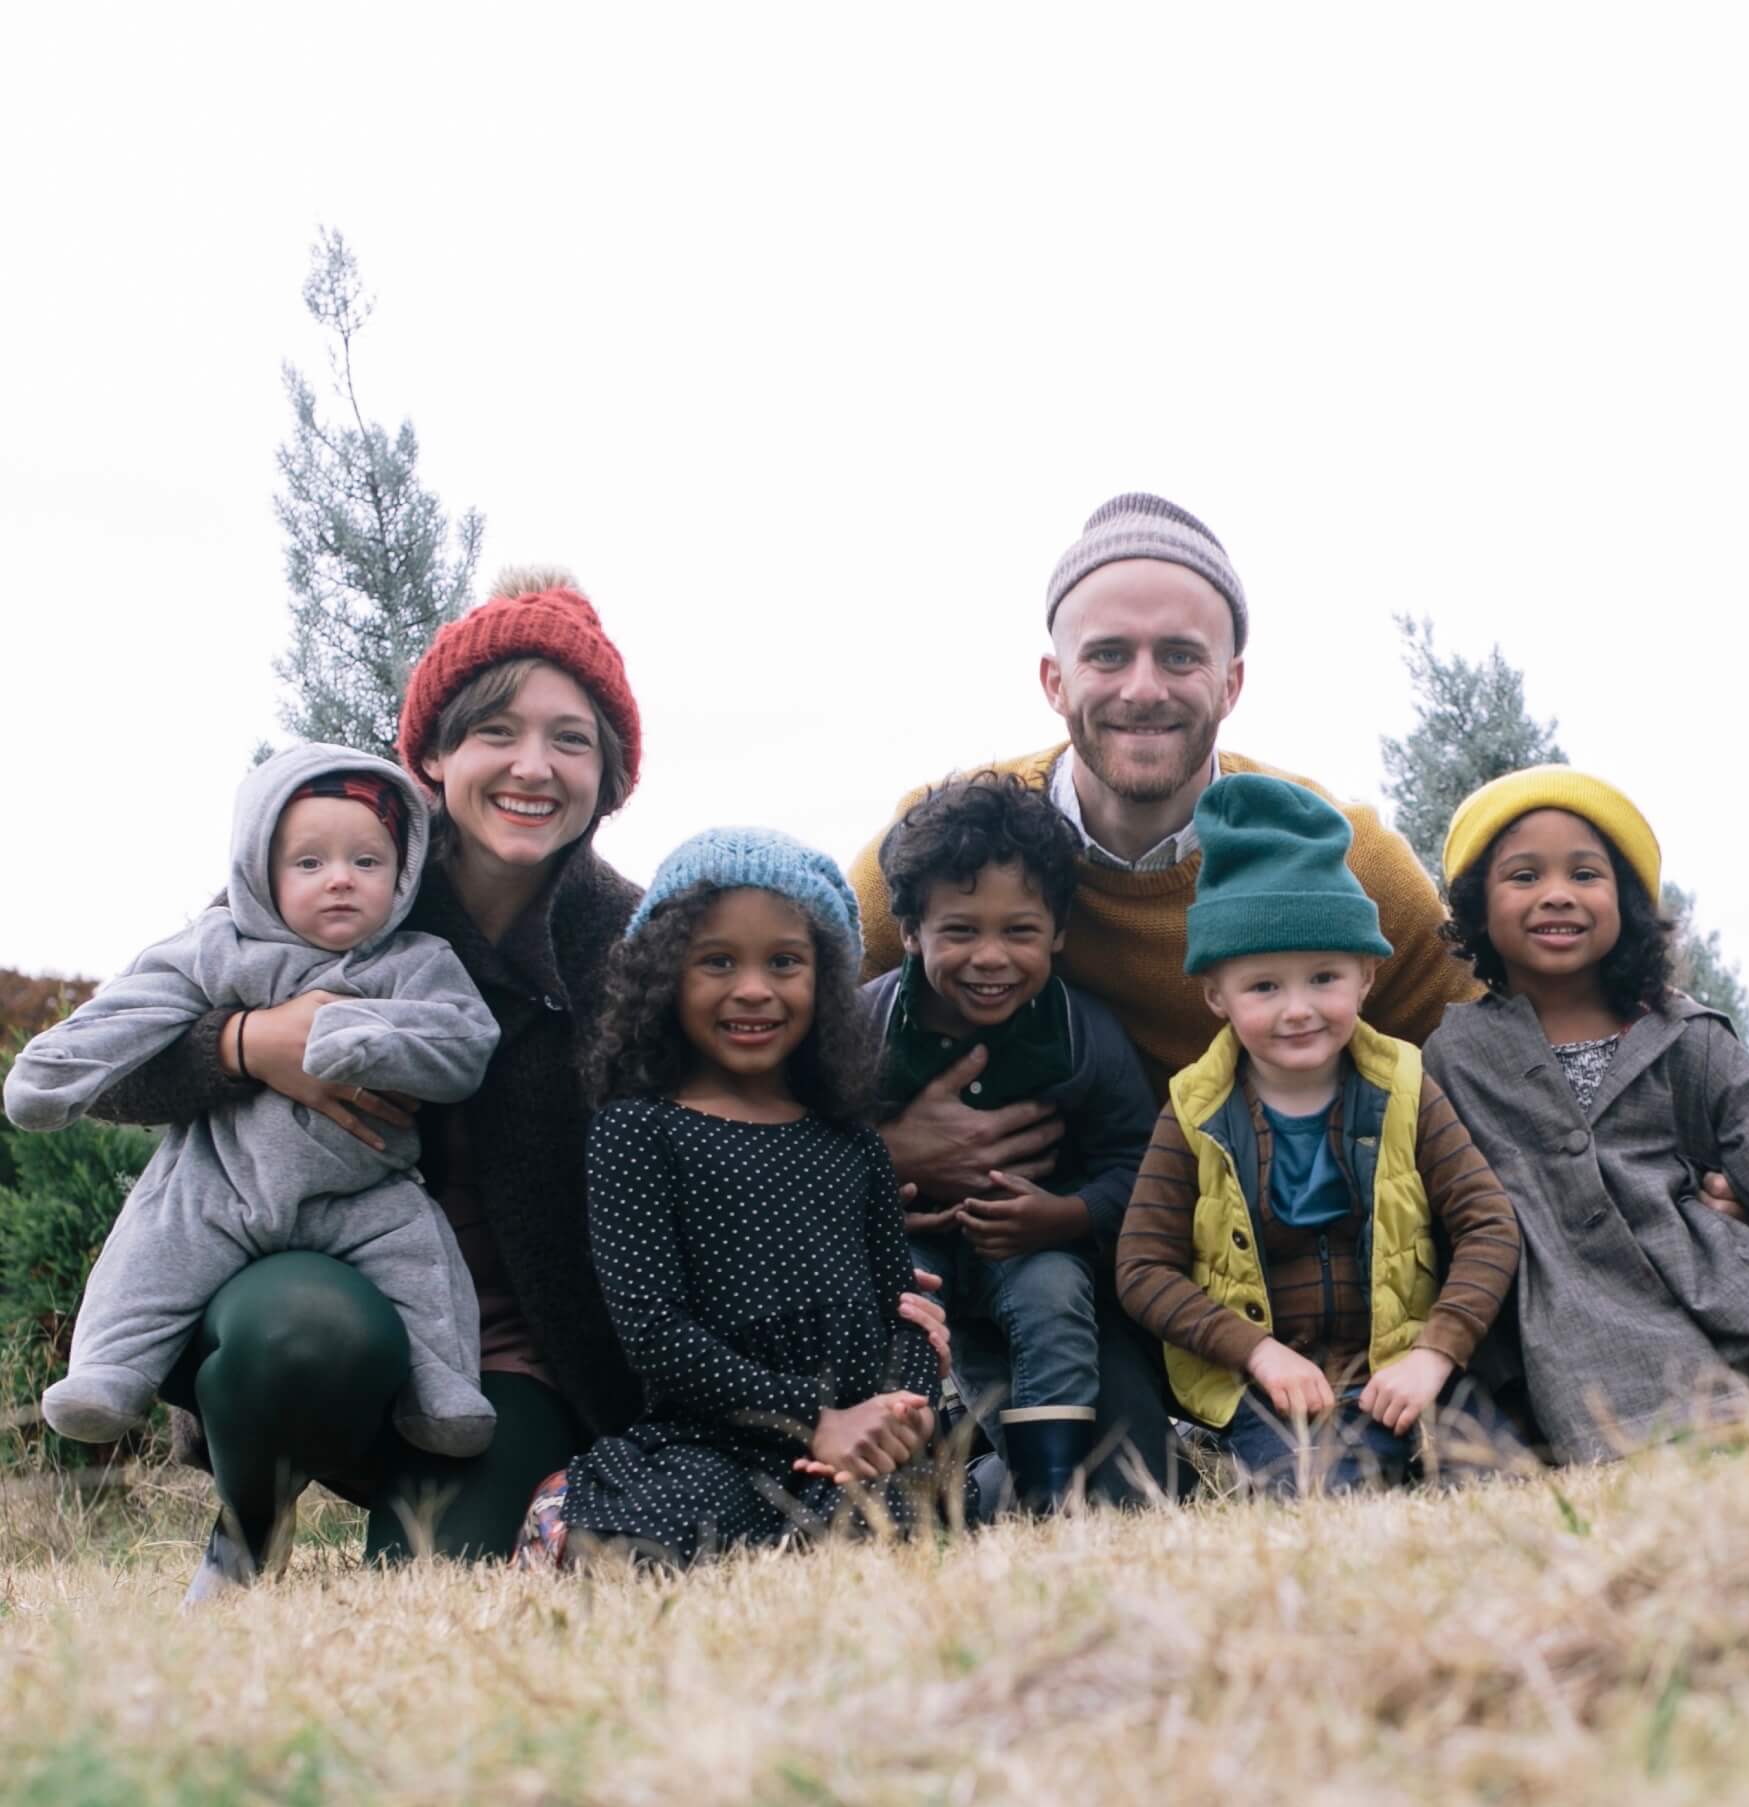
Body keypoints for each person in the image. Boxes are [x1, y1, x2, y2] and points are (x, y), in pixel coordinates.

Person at [850, 492, 1480, 1495]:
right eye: (1108, 655)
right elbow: (768, 1042)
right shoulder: (950, 849)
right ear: (1054, 677)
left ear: (1230, 681)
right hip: (1067, 1267)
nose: (1143, 687)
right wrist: (880, 1148)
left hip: (1288, 1281)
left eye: (1180, 656)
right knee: (1108, 1483)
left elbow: (1494, 1051)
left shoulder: (1340, 858)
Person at [82, 570, 648, 1597]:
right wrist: (250, 1042)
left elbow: (748, 1103)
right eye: (497, 733)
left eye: (572, 739)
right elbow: (114, 1064)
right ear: (431, 754)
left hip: (504, 1361)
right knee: (298, 1332)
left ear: (609, 775)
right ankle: (251, 1519)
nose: (534, 766)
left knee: (436, 1586)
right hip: (311, 1294)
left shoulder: (632, 941)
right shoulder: (332, 871)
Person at [5, 749, 498, 1465]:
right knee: (152, 1243)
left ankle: (444, 1395)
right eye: (309, 863)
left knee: (423, 1255)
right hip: (220, 1179)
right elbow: (132, 1013)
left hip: (364, 1190)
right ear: (259, 871)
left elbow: (465, 1042)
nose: (339, 878)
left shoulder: (416, 962)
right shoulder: (218, 947)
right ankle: (109, 1375)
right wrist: (51, 1074)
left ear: (402, 875)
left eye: (367, 861)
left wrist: (366, 1037)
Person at [1423, 767, 1749, 1464]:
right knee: (1670, 1446)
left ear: (1627, 903)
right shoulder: (1454, 1057)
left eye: (1585, 874)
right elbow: (1425, 1207)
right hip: (1567, 1331)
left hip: (1729, 1293)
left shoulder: (1684, 1035)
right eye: (1522, 876)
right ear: (1477, 907)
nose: (1556, 894)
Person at [516, 829, 939, 1571]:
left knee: (876, 1535)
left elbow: (901, 1307)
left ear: (825, 977)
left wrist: (896, 1412)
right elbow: (654, 1332)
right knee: (658, 1540)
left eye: (784, 961)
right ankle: (562, 1508)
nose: (753, 988)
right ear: (662, 976)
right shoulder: (637, 1131)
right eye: (717, 961)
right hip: (713, 1437)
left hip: (850, 1444)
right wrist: (812, 1420)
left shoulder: (851, 1143)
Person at [1117, 773, 1522, 1497]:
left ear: (1367, 977)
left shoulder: (1404, 1087)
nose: (1298, 1009)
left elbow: (1488, 1225)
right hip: (1270, 1388)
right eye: (1263, 986)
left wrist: (1434, 1352)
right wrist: (1258, 1354)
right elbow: (1143, 1270)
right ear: (1216, 995)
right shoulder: (1193, 1111)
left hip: (1400, 1366)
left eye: (1324, 977)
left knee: (1499, 1480)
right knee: (1325, 1496)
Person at [864, 771, 1154, 1499]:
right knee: (890, 1305)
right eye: (958, 930)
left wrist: (1064, 1215)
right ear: (908, 932)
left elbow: (1138, 1161)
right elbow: (802, 1148)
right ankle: (895, 1492)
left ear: (1057, 931)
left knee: (1054, 1294)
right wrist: (874, 1180)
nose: (989, 957)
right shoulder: (862, 1026)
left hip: (1035, 1250)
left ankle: (1045, 1491)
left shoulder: (1082, 1032)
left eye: (1019, 931)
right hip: (908, 1248)